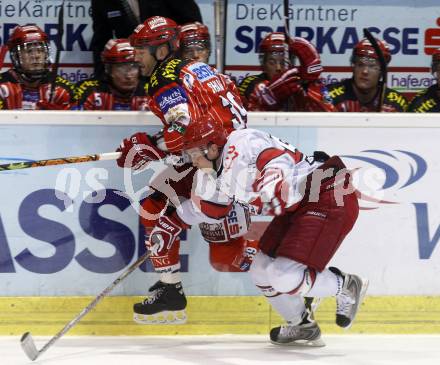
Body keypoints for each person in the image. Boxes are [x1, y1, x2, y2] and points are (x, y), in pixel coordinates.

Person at [180, 117, 369, 346]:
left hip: (327, 193)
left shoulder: (240, 141)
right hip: (295, 206)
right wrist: (169, 225)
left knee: (284, 276)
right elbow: (202, 209)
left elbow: (275, 159)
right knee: (260, 269)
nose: (192, 161)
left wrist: (272, 184)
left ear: (211, 148)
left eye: (193, 154)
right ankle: (301, 324)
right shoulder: (212, 176)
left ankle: (346, 285)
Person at [115, 16, 253, 324]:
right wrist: (153, 145)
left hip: (219, 162)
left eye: (142, 49)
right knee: (155, 204)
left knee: (227, 253)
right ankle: (170, 287)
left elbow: (182, 126)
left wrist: (150, 146)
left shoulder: (165, 76)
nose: (134, 55)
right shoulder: (196, 69)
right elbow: (201, 123)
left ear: (162, 50)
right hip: (225, 156)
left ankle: (295, 269)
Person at [90, 0, 202, 77]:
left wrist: (187, 62)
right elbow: (100, 42)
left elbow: (192, 24)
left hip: (173, 64)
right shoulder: (101, 2)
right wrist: (101, 79)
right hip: (135, 70)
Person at [238, 32, 335, 112]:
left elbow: (330, 115)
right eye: (272, 62)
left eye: (283, 62)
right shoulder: (250, 84)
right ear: (263, 64)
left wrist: (311, 83)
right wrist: (268, 96)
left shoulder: (299, 85)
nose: (279, 68)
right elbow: (243, 120)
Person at [0, 25, 75, 110]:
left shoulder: (62, 89)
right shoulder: (2, 86)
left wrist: (60, 115)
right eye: (29, 51)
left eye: (40, 50)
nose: (36, 56)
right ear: (16, 56)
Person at [327, 38, 408, 112]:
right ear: (353, 67)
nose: (365, 71)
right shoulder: (330, 97)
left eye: (372, 66)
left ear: (382, 71)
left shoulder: (396, 102)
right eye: (360, 64)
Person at [75, 39, 149, 110]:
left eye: (134, 67)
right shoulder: (87, 91)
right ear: (108, 69)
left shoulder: (151, 92)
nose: (128, 75)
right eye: (121, 67)